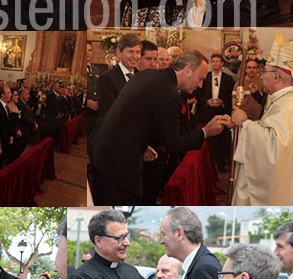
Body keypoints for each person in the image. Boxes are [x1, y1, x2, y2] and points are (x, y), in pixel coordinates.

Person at [90, 51, 228, 204]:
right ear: (187, 70)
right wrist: (206, 132)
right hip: (116, 163)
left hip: (101, 149)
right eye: (200, 78)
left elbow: (133, 118)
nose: (200, 84)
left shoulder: (150, 75)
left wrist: (143, 146)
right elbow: (173, 143)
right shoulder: (170, 93)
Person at [232, 32, 293, 204]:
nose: (261, 75)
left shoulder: (289, 105)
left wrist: (245, 123)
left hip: (279, 189)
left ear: (277, 76)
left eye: (264, 71)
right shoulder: (285, 100)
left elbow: (273, 147)